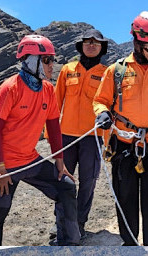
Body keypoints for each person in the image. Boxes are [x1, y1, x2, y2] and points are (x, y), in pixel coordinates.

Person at [93, 11, 148, 246]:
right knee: (125, 200)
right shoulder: (117, 71)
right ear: (136, 40)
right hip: (123, 145)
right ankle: (130, 247)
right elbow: (100, 99)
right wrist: (102, 113)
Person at [0, 34, 79, 246]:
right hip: (2, 164)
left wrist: (60, 163)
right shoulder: (8, 89)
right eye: (46, 60)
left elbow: (53, 128)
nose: (53, 65)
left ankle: (68, 244)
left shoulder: (47, 90)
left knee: (66, 187)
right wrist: (0, 170)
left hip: (28, 159)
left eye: (52, 59)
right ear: (30, 61)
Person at [54, 29, 109, 240]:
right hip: (66, 137)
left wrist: (107, 140)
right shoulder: (67, 70)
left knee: (88, 183)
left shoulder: (107, 73)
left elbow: (109, 108)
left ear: (102, 47)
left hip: (92, 138)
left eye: (96, 42)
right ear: (81, 46)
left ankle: (79, 224)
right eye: (87, 42)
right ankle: (60, 225)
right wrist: (51, 135)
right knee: (62, 181)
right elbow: (56, 102)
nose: (91, 45)